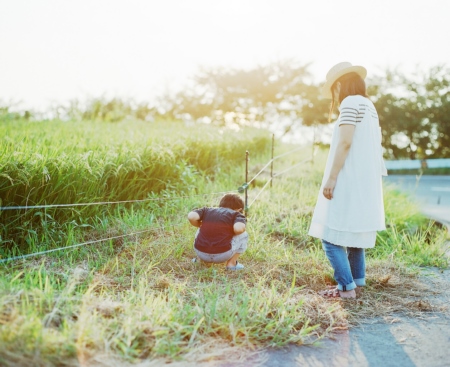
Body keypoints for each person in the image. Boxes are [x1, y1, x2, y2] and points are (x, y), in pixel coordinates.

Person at [308, 62, 387, 299]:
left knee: (329, 236)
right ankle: (358, 283)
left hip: (348, 178)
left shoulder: (350, 103)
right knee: (354, 234)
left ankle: (346, 288)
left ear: (340, 84)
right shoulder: (369, 105)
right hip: (364, 181)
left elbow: (345, 142)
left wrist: (331, 178)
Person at [188, 193, 248, 270]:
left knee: (201, 227)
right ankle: (231, 264)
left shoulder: (207, 210)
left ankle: (199, 260)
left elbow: (191, 216)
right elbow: (239, 229)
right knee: (244, 234)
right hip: (222, 255)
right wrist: (230, 230)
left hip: (201, 253)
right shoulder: (236, 214)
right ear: (239, 210)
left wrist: (199, 224)